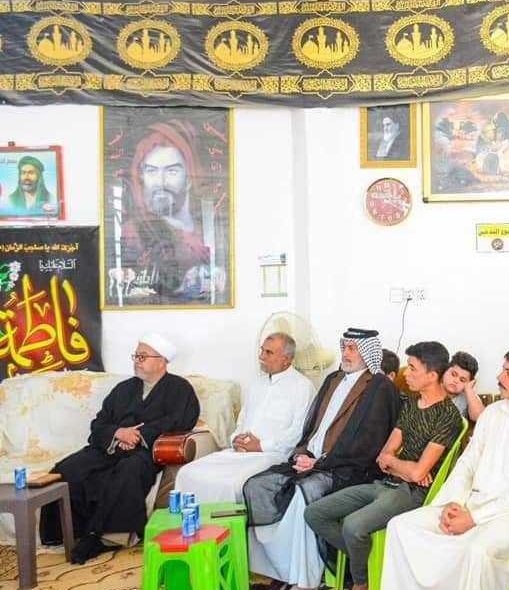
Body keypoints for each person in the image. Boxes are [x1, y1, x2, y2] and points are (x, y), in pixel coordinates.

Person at [379, 346, 509, 590]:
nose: (499, 377)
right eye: (502, 369)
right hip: (469, 504)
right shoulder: (492, 413)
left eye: (508, 372)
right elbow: (466, 465)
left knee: (477, 550)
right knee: (401, 527)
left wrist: (473, 518)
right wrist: (451, 504)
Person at [243, 328, 400, 590]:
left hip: (348, 469)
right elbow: (312, 425)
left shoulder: (379, 387)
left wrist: (321, 462)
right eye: (344, 347)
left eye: (352, 348)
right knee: (258, 484)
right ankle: (276, 566)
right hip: (313, 459)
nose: (345, 353)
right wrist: (303, 453)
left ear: (368, 352)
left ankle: (305, 580)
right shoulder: (333, 379)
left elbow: (368, 442)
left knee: (303, 493)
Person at [304, 341, 462, 590]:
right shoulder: (411, 404)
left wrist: (402, 466)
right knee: (315, 513)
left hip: (414, 493)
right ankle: (372, 560)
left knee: (354, 526)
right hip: (385, 483)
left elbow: (418, 473)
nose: (405, 373)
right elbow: (384, 455)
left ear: (432, 375)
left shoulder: (448, 416)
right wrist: (403, 467)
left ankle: (362, 581)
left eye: (412, 368)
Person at [39, 333, 199, 564]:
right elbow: (98, 423)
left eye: (143, 357)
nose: (137, 361)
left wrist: (138, 436)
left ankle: (103, 538)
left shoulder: (180, 389)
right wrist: (117, 433)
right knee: (67, 469)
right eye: (136, 356)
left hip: (145, 452)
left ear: (161, 361)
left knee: (129, 470)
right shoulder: (123, 389)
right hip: (109, 448)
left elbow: (179, 421)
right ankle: (63, 532)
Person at [174, 333, 314, 503]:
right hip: (237, 452)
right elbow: (243, 418)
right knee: (187, 473)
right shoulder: (257, 383)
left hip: (271, 455)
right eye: (262, 350)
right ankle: (190, 519)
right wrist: (235, 439)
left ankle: (226, 521)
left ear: (286, 359)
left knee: (231, 483)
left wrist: (261, 445)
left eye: (268, 352)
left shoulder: (302, 386)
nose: (261, 356)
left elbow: (300, 431)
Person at [120, 120, 225, 298]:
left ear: (190, 177)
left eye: (172, 171)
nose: (160, 182)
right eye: (151, 171)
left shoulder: (210, 230)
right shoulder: (131, 232)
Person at [443, 350, 484, 421]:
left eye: (462, 380)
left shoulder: (469, 396)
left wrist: (468, 389)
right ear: (445, 370)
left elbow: (480, 418)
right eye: (453, 374)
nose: (456, 381)